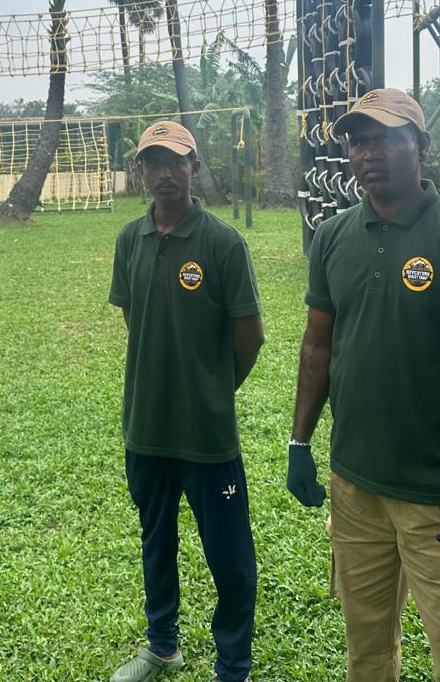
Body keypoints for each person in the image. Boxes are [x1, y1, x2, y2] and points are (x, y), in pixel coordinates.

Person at [287, 89, 440, 682]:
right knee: (366, 651)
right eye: (359, 141)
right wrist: (299, 443)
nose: (369, 153)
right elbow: (318, 345)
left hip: (439, 494)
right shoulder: (333, 236)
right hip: (354, 487)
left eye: (386, 138)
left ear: (420, 145)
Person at [108, 120, 264, 682]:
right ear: (142, 172)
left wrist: (211, 389)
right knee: (156, 541)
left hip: (207, 434)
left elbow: (249, 337)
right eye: (153, 162)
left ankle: (233, 664)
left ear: (194, 167)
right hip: (146, 427)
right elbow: (135, 318)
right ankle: (162, 645)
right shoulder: (130, 239)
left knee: (229, 554)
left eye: (176, 161)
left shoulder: (222, 242)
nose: (165, 173)